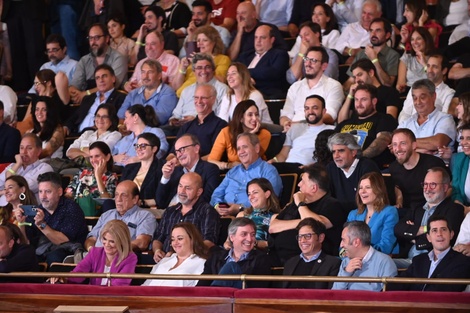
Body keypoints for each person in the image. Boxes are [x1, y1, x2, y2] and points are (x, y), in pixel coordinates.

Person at [269, 164, 345, 264]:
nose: (299, 184)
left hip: (313, 262)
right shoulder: (294, 204)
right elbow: (273, 227)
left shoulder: (332, 205)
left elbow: (318, 226)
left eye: (303, 181)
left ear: (313, 188)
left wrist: (301, 205)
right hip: (280, 258)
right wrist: (303, 222)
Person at [12, 172, 88, 266]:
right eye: (40, 191)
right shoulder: (37, 210)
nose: (43, 197)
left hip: (69, 251)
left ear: (59, 192)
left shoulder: (71, 208)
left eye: (48, 191)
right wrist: (21, 223)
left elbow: (62, 241)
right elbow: (25, 242)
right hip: (42, 250)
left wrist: (41, 224)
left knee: (55, 256)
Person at [394, 167, 464, 266]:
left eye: (433, 185)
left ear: (445, 187)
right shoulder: (417, 207)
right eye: (425, 184)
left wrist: (412, 235)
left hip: (432, 262)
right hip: (408, 259)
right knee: (381, 263)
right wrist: (425, 229)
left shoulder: (454, 209)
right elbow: (398, 229)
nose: (427, 189)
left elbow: (443, 239)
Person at [390, 216, 470, 292]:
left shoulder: (462, 261)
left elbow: (449, 290)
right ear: (429, 237)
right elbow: (401, 282)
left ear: (451, 235)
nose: (439, 234)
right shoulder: (419, 260)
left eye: (444, 229)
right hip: (413, 305)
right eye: (434, 230)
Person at [152, 172, 220, 261]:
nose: (182, 191)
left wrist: (178, 254)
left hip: (192, 261)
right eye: (180, 186)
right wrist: (157, 251)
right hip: (165, 260)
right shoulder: (170, 211)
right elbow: (158, 238)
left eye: (187, 188)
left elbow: (209, 242)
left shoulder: (207, 211)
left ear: (199, 192)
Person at [211, 132, 282, 215]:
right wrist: (217, 206)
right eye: (238, 148)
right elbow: (216, 194)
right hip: (223, 217)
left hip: (252, 218)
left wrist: (241, 208)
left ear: (256, 148)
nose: (241, 152)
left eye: (245, 147)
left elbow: (271, 200)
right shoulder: (232, 172)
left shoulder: (268, 171)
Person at [50, 220, 138, 286]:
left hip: (115, 299)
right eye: (104, 239)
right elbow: (78, 274)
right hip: (93, 297)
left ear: (122, 241)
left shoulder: (130, 257)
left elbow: (121, 284)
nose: (107, 244)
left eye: (112, 241)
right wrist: (63, 278)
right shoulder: (94, 252)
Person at [280, 46, 344, 130]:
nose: (308, 64)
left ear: (324, 66)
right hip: (293, 131)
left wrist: (299, 124)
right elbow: (285, 115)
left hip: (319, 131)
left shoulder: (333, 86)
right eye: (306, 59)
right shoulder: (295, 87)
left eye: (313, 61)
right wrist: (286, 123)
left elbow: (330, 117)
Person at [84, 180, 157, 253]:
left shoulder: (145, 216)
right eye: (116, 195)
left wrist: (116, 250)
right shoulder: (106, 215)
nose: (118, 199)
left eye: (123, 195)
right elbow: (91, 238)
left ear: (135, 199)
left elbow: (142, 243)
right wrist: (91, 249)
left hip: (122, 258)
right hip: (96, 257)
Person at [336, 84, 397, 170]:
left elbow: (382, 142)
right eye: (356, 100)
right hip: (342, 167)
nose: (359, 104)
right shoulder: (344, 123)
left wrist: (356, 159)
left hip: (367, 168)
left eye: (363, 100)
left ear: (374, 101)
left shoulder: (384, 119)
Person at [389, 128, 448, 216]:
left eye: (403, 143)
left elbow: (449, 188)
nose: (398, 148)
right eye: (395, 144)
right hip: (407, 211)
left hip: (431, 210)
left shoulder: (433, 163)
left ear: (414, 145)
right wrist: (399, 202)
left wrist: (434, 207)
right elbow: (398, 187)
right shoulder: (394, 167)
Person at [199, 217, 271, 288]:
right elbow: (201, 285)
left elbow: (258, 289)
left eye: (252, 235)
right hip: (217, 298)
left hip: (243, 297)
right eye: (244, 234)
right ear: (232, 237)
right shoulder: (215, 257)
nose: (249, 239)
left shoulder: (262, 259)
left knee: (232, 266)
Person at [156, 134, 220, 209]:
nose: (179, 155)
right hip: (168, 213)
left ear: (196, 149)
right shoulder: (174, 171)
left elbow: (207, 198)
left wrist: (180, 209)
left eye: (182, 149)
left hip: (193, 214)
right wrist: (165, 177)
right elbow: (160, 202)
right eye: (176, 152)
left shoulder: (210, 169)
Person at [69, 23, 127, 104]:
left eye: (96, 38)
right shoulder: (84, 60)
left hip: (109, 102)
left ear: (107, 38)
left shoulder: (118, 58)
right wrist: (74, 93)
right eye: (90, 38)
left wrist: (86, 94)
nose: (93, 42)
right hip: (85, 103)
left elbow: (111, 85)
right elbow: (75, 85)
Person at [269, 95, 335, 167]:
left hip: (311, 170)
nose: (310, 111)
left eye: (315, 108)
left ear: (324, 111)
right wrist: (273, 160)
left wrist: (311, 166)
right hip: (288, 167)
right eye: (307, 108)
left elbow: (328, 159)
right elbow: (283, 154)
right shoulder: (294, 128)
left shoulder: (331, 130)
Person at [332, 221, 397, 291]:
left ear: (356, 242)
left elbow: (389, 296)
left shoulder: (385, 262)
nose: (341, 245)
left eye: (343, 240)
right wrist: (346, 273)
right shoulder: (346, 261)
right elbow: (335, 293)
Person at [398, 79, 456, 155]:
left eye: (422, 97)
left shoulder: (445, 119)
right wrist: (420, 150)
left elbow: (438, 143)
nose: (418, 102)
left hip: (434, 165)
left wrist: (405, 143)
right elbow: (394, 146)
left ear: (433, 96)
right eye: (415, 98)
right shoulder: (406, 123)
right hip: (407, 165)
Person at [169, 54, 229, 128]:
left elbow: (222, 118)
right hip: (181, 127)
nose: (203, 71)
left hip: (206, 127)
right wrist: (173, 121)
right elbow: (176, 114)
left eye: (207, 67)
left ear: (213, 70)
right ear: (194, 72)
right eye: (199, 68)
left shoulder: (223, 89)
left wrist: (196, 119)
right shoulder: (187, 90)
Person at [65, 65, 126, 136]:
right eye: (97, 78)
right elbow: (75, 117)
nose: (101, 80)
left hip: (100, 136)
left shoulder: (121, 98)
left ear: (113, 79)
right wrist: (66, 127)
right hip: (77, 135)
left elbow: (116, 121)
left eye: (104, 76)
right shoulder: (88, 98)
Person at [208, 100, 271, 170]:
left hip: (257, 170)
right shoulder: (226, 132)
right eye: (250, 115)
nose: (254, 118)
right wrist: (228, 165)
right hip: (234, 172)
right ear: (241, 118)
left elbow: (247, 159)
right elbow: (211, 161)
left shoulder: (265, 134)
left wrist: (250, 135)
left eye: (256, 114)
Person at [326, 132, 380, 212]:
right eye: (334, 152)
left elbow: (371, 199)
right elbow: (327, 197)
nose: (336, 156)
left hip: (363, 214)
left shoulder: (367, 167)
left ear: (353, 152)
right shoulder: (331, 168)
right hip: (339, 214)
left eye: (341, 151)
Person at [282, 218, 341, 289]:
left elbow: (332, 295)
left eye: (307, 236)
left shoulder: (332, 263)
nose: (303, 241)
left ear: (320, 238)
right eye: (300, 237)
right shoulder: (290, 263)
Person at [347, 172, 399, 254]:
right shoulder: (353, 215)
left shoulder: (389, 212)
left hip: (378, 260)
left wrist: (359, 254)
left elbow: (386, 246)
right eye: (360, 188)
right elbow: (344, 245)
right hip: (352, 260)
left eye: (368, 187)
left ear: (378, 190)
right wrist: (346, 256)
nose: (362, 191)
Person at [143, 222, 208, 287]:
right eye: (173, 239)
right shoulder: (165, 260)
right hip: (147, 296)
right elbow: (146, 284)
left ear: (192, 239)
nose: (175, 243)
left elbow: (197, 290)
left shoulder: (202, 262)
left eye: (180, 239)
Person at [343, 17, 399, 89]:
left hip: (379, 95)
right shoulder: (362, 53)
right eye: (371, 30)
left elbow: (388, 84)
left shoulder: (393, 55)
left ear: (387, 35)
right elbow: (351, 80)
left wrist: (374, 60)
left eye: (378, 31)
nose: (373, 34)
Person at [171, 84, 228, 155]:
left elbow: (215, 155)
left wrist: (190, 163)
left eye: (203, 98)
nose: (199, 101)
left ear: (213, 100)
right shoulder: (186, 126)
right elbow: (173, 152)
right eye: (196, 97)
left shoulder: (221, 125)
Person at [117, 59, 178, 126]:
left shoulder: (168, 93)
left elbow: (158, 119)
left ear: (159, 75)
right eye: (143, 72)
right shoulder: (133, 93)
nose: (145, 76)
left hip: (154, 132)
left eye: (150, 72)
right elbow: (121, 115)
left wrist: (131, 121)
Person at [399, 53, 457, 123]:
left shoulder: (449, 93)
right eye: (428, 66)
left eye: (434, 67)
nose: (430, 70)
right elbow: (405, 113)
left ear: (444, 70)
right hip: (410, 128)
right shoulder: (415, 88)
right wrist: (405, 128)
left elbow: (444, 118)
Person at [174, 25, 230, 97]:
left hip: (199, 97)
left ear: (214, 43)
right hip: (180, 97)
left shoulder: (223, 59)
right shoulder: (190, 59)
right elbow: (175, 87)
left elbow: (221, 81)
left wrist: (200, 63)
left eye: (204, 40)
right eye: (198, 40)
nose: (200, 43)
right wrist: (182, 68)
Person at [225, 178, 280, 250]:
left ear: (267, 194)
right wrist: (228, 245)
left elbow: (272, 244)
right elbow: (227, 241)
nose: (251, 197)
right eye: (249, 194)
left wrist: (253, 243)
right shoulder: (241, 215)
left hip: (258, 255)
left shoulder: (274, 217)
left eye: (255, 192)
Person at [237, 24, 290, 99]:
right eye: (256, 37)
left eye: (262, 38)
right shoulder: (245, 55)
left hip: (266, 95)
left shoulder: (279, 54)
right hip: (243, 94)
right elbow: (235, 70)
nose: (258, 41)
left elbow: (273, 73)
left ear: (272, 40)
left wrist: (245, 75)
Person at [64, 142, 117, 216]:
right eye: (91, 157)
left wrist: (98, 176)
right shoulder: (83, 172)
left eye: (97, 156)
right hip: (75, 212)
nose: (93, 160)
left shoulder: (112, 177)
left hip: (98, 215)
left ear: (107, 157)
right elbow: (68, 194)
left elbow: (107, 201)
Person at [0, 134, 54, 206]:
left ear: (38, 151)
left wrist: (3, 191)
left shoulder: (44, 168)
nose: (24, 152)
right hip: (3, 209)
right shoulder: (13, 166)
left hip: (25, 210)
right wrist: (17, 165)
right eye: (21, 148)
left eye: (29, 148)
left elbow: (24, 188)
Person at [333, 0, 383, 64]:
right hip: (343, 61)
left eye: (370, 14)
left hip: (367, 63)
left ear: (379, 15)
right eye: (364, 12)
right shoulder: (351, 27)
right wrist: (351, 51)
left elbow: (381, 51)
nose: (366, 17)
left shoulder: (383, 30)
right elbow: (337, 48)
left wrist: (357, 53)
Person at [120, 133, 162, 208]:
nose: (138, 149)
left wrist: (141, 202)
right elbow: (120, 190)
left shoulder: (161, 169)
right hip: (125, 206)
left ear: (154, 149)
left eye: (143, 146)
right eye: (137, 146)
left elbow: (160, 198)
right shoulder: (129, 168)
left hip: (145, 209)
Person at [396, 27, 434, 94]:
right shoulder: (407, 57)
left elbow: (436, 81)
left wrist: (424, 64)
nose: (415, 42)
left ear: (426, 40)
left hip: (429, 92)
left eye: (418, 39)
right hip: (410, 93)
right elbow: (400, 83)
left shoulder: (434, 58)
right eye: (412, 39)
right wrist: (401, 87)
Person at [451, 124, 470, 215]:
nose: (464, 142)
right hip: (463, 209)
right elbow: (456, 189)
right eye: (462, 138)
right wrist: (461, 207)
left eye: (469, 138)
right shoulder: (459, 159)